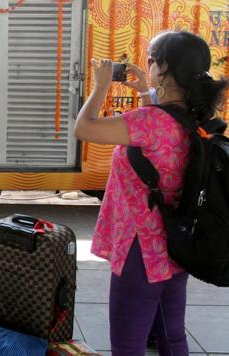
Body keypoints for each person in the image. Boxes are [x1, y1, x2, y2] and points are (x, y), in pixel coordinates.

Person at [74, 31, 227, 355]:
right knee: (172, 337)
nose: (147, 64)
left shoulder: (148, 121)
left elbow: (84, 128)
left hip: (140, 251)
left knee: (128, 344)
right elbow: (155, 141)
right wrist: (146, 90)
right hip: (176, 243)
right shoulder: (196, 118)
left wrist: (101, 84)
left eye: (150, 59)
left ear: (165, 66)